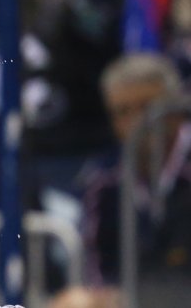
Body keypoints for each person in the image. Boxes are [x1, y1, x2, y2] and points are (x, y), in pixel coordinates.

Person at [81, 53, 191, 299]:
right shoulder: (103, 185)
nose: (137, 121)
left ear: (175, 106)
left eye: (147, 107)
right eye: (122, 111)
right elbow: (97, 271)